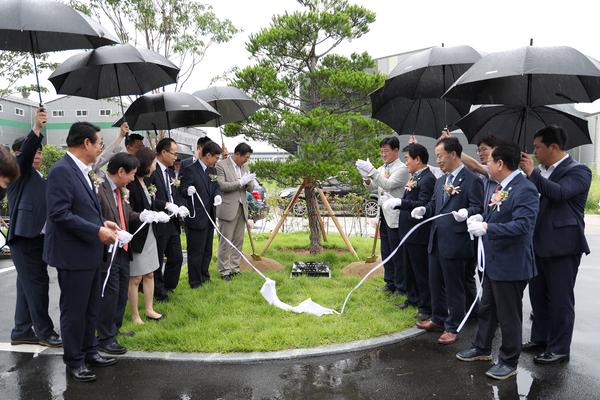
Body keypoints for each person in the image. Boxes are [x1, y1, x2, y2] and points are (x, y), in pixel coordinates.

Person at [456, 143, 539, 380]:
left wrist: (487, 226)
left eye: (490, 161)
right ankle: (482, 348)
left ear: (500, 164)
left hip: (512, 264)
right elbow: (500, 214)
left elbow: (524, 226)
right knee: (487, 307)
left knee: (509, 314)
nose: (487, 165)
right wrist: (483, 216)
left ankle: (509, 360)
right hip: (495, 261)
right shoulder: (503, 186)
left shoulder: (525, 188)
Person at [44, 122, 119, 382]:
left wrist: (102, 224)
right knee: (74, 310)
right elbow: (60, 214)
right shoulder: (61, 171)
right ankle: (74, 360)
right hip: (72, 254)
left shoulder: (83, 170)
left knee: (90, 308)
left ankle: (90, 350)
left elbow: (83, 208)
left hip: (89, 252)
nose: (100, 147)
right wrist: (96, 231)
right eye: (98, 142)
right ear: (86, 143)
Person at [520, 125, 592, 364]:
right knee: (537, 294)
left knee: (560, 298)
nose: (534, 151)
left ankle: (559, 348)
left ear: (553, 147)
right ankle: (540, 338)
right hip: (537, 242)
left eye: (538, 147)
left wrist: (533, 175)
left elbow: (560, 193)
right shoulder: (540, 171)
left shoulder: (579, 170)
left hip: (563, 245)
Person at [411, 137, 483, 345]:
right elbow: (435, 204)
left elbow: (478, 208)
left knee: (454, 287)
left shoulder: (472, 180)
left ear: (453, 154)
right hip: (436, 240)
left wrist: (466, 212)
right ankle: (439, 318)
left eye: (440, 156)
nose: (438, 160)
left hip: (456, 242)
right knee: (435, 282)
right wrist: (424, 209)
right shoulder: (442, 180)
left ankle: (454, 326)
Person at [7, 108, 61, 348]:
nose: (37, 154)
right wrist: (37, 129)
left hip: (38, 238)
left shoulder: (39, 175)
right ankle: (45, 332)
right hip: (25, 237)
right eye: (34, 151)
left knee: (26, 285)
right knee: (37, 285)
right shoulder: (18, 170)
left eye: (40, 151)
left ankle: (21, 331)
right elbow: (25, 154)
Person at [96, 153, 142, 355]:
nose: (133, 178)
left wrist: (145, 216)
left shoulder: (120, 191)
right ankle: (105, 337)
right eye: (131, 174)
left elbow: (127, 214)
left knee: (122, 291)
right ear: (120, 171)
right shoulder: (100, 189)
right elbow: (97, 218)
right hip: (108, 250)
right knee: (110, 293)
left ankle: (114, 330)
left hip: (123, 248)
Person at [383, 143, 435, 321]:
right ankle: (412, 298)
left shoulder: (427, 179)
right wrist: (398, 200)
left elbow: (423, 204)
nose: (406, 164)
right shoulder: (415, 177)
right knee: (409, 269)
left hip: (418, 233)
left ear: (418, 159)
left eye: (407, 159)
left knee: (420, 271)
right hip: (407, 231)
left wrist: (400, 203)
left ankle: (425, 306)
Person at [356, 136, 409, 295]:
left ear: (395, 150)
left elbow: (388, 184)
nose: (383, 154)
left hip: (396, 216)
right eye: (381, 151)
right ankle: (389, 282)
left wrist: (372, 171)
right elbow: (372, 187)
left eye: (386, 151)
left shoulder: (402, 168)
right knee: (385, 250)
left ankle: (400, 286)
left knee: (396, 251)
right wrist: (366, 176)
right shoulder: (381, 167)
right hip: (383, 215)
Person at [127, 147, 164, 324]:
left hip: (150, 233)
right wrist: (145, 215)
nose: (155, 166)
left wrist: (162, 210)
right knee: (136, 277)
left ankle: (149, 309)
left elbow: (152, 202)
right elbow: (130, 210)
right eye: (154, 162)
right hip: (138, 234)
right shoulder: (131, 183)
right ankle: (135, 315)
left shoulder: (146, 181)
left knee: (150, 273)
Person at [180, 141, 223, 288]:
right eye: (216, 157)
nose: (217, 160)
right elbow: (182, 190)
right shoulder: (190, 169)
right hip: (196, 216)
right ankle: (195, 281)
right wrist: (187, 190)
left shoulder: (213, 171)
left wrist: (217, 195)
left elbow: (216, 187)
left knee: (207, 250)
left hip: (210, 215)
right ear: (208, 155)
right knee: (196, 252)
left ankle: (205, 276)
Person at [148, 138, 184, 301]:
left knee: (176, 257)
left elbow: (175, 194)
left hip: (173, 221)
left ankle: (169, 286)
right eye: (173, 153)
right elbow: (148, 198)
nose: (175, 157)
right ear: (163, 152)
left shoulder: (170, 172)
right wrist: (166, 205)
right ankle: (159, 292)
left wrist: (179, 206)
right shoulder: (151, 171)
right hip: (159, 221)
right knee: (158, 258)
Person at [216, 142, 256, 280]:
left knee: (238, 240)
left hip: (242, 207)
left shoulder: (245, 166)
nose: (246, 160)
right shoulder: (221, 165)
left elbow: (250, 189)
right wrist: (240, 182)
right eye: (245, 157)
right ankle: (224, 270)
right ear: (237, 154)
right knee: (226, 240)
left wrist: (249, 180)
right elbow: (222, 186)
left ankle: (234, 267)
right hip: (227, 207)